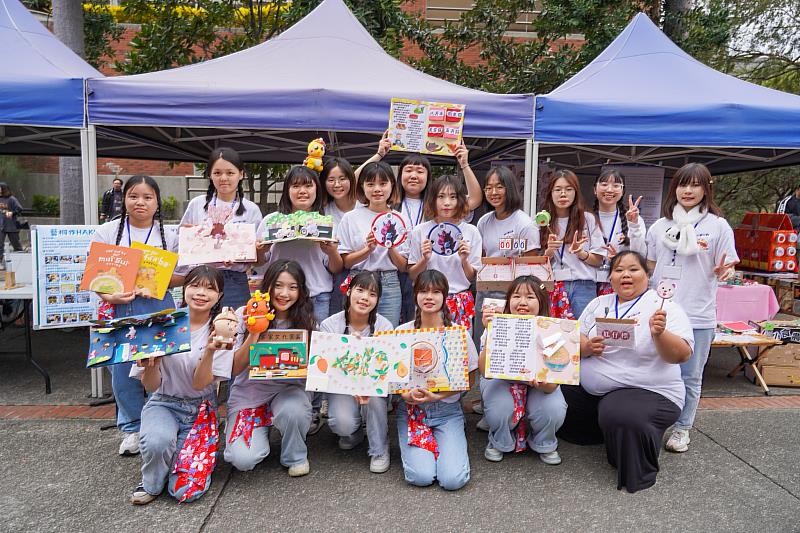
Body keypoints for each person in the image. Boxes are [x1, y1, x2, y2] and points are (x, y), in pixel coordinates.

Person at [558, 251, 694, 493]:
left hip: (646, 390)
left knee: (619, 412)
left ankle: (635, 454)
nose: (625, 275)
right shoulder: (600, 303)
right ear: (610, 277)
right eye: (619, 270)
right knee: (554, 387)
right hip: (596, 386)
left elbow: (681, 355)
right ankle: (601, 435)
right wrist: (587, 347)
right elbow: (575, 336)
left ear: (647, 275)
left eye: (633, 269)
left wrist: (660, 335)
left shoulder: (664, 307)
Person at [646, 163, 738, 453]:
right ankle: (654, 421)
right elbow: (649, 266)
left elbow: (729, 266)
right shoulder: (660, 226)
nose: (688, 190)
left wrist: (726, 272)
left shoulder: (717, 226)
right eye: (683, 184)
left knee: (690, 376)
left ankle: (682, 428)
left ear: (706, 189)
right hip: (661, 313)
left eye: (695, 185)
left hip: (698, 314)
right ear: (674, 188)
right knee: (654, 371)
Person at [90, 175, 180, 456]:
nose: (140, 202)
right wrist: (110, 295)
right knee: (122, 371)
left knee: (159, 366)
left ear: (157, 203)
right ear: (124, 199)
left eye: (147, 197)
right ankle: (131, 428)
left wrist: (155, 278)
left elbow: (183, 277)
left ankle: (158, 421)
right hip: (118, 308)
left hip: (157, 306)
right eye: (133, 196)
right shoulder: (107, 231)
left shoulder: (170, 234)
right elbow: (96, 277)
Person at [130, 266, 233, 505]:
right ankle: (151, 482)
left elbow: (200, 384)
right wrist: (151, 364)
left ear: (219, 296)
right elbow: (152, 386)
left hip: (201, 408)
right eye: (195, 285)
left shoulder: (221, 330)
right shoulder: (160, 325)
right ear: (184, 289)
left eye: (210, 289)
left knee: (185, 492)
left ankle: (177, 464)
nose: (201, 293)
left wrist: (209, 351)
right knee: (157, 441)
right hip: (163, 403)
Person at [356, 133, 484, 324]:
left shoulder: (463, 227)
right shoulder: (390, 204)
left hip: (447, 291)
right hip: (409, 281)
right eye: (408, 170)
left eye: (420, 171)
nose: (414, 175)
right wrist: (379, 155)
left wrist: (464, 164)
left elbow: (474, 199)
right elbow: (355, 184)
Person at [225, 260, 316, 477]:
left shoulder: (306, 320)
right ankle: (260, 432)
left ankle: (294, 454)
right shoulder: (244, 313)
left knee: (293, 411)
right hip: (249, 394)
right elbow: (235, 368)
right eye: (278, 285)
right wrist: (255, 330)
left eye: (293, 287)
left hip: (289, 390)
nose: (284, 293)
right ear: (268, 287)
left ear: (301, 291)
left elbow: (315, 370)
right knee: (243, 460)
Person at [395, 270, 478, 490]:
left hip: (447, 411)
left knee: (453, 480)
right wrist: (405, 394)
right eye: (423, 291)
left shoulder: (458, 333)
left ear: (445, 296)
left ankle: (450, 447)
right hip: (413, 411)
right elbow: (393, 376)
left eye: (435, 292)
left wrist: (440, 395)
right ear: (415, 295)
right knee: (421, 476)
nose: (429, 297)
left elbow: (470, 375)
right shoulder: (402, 332)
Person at [478, 275, 567, 465]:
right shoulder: (498, 323)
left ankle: (544, 442)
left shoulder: (551, 328)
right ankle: (499, 438)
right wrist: (491, 331)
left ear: (541, 301)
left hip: (538, 384)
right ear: (508, 300)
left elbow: (552, 385)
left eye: (530, 297)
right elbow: (484, 371)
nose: (522, 302)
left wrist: (543, 384)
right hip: (501, 381)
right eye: (517, 296)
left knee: (554, 409)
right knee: (500, 409)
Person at [319, 271, 393, 473]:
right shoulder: (330, 325)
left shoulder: (384, 326)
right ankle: (355, 434)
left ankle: (379, 447)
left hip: (372, 386)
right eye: (360, 290)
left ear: (377, 300)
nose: (364, 298)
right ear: (349, 291)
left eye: (372, 294)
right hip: (341, 386)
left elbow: (387, 371)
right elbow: (324, 367)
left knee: (376, 397)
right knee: (341, 424)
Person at [179, 147, 263, 309]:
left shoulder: (251, 209)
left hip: (234, 279)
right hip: (200, 279)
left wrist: (257, 249)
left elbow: (258, 261)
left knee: (234, 328)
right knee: (199, 329)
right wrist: (191, 236)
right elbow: (182, 247)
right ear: (210, 175)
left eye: (230, 173)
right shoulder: (197, 204)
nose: (224, 178)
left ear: (241, 174)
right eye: (217, 173)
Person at [259, 166, 343, 325]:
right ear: (287, 190)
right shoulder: (272, 221)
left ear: (317, 190)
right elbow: (259, 261)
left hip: (316, 296)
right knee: (280, 347)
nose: (302, 191)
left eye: (308, 186)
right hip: (279, 297)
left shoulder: (326, 223)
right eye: (296, 186)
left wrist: (332, 252)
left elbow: (336, 268)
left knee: (316, 346)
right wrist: (260, 251)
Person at [337, 161, 408, 327]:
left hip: (389, 282)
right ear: (362, 186)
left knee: (387, 335)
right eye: (370, 184)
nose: (377, 189)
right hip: (358, 279)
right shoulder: (350, 217)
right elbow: (345, 262)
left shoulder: (400, 219)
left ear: (392, 185)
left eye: (383, 184)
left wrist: (391, 247)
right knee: (355, 331)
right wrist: (367, 250)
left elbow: (404, 266)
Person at [474, 165, 539, 344]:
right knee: (485, 340)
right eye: (488, 187)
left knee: (510, 343)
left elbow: (531, 266)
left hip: (513, 295)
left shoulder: (525, 224)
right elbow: (482, 258)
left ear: (509, 188)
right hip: (486, 292)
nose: (493, 192)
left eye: (499, 186)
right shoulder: (483, 222)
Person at [408, 175, 482, 330]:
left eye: (453, 197)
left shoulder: (471, 231)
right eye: (441, 196)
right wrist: (424, 259)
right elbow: (413, 275)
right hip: (428, 301)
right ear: (433, 200)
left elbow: (472, 277)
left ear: (461, 200)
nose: (447, 203)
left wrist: (464, 260)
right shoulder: (420, 231)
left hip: (460, 301)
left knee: (459, 351)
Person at [539, 170, 604, 319]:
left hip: (583, 285)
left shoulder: (587, 219)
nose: (563, 194)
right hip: (553, 285)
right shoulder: (542, 222)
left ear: (576, 192)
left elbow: (599, 260)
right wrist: (548, 252)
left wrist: (582, 254)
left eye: (569, 189)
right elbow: (534, 263)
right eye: (558, 189)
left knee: (584, 333)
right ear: (550, 193)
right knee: (553, 334)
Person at [592, 169, 647, 295]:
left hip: (621, 284)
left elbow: (641, 254)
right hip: (588, 284)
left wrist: (633, 225)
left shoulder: (633, 219)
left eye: (616, 186)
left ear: (622, 191)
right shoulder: (586, 218)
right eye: (604, 184)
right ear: (595, 189)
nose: (610, 190)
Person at [321, 157, 359, 316]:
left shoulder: (365, 206)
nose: (337, 185)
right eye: (331, 180)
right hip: (336, 279)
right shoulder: (322, 211)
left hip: (364, 274)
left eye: (342, 179)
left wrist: (378, 155)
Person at [0, 182, 23, 269]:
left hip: (11, 225)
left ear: (3, 189)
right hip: (1, 226)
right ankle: (1, 263)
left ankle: (21, 262)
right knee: (0, 245)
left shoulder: (12, 199)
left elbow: (20, 209)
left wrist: (12, 213)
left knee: (16, 245)